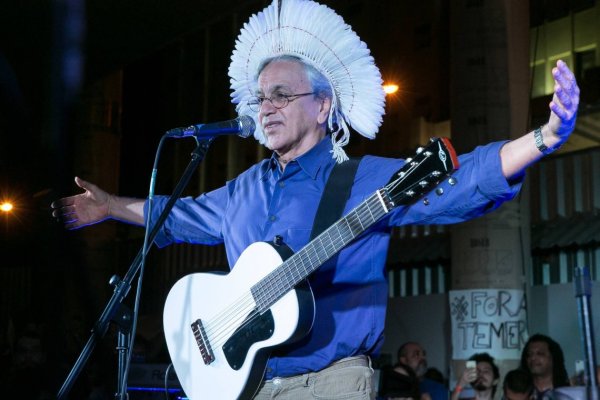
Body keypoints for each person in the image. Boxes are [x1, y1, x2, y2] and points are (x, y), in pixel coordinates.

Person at [51, 0, 580, 398]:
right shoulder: (245, 187)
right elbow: (178, 216)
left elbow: (459, 184)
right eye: (262, 97)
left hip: (330, 381)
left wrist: (543, 138)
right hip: (248, 381)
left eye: (282, 95)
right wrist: (111, 206)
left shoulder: (360, 179)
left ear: (324, 106)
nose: (267, 107)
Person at [520, 334, 570, 399]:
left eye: (540, 353)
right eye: (529, 354)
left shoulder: (567, 391)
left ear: (553, 358)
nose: (533, 358)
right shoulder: (518, 390)